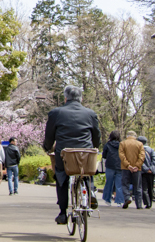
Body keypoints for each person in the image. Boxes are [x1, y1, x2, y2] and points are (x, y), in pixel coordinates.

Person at [43, 85, 101, 225]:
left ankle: (63, 213)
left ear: (65, 98)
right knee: (86, 172)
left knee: (61, 177)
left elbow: (49, 135)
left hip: (65, 154)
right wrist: (95, 146)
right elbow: (97, 135)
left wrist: (47, 147)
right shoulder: (90, 113)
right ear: (81, 98)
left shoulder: (56, 113)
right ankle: (90, 192)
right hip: (85, 153)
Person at [119, 130, 145, 210]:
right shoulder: (140, 144)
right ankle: (139, 204)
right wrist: (137, 165)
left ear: (127, 136)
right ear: (135, 136)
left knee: (125, 184)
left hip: (125, 168)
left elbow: (121, 155)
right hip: (137, 169)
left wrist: (128, 165)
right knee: (137, 186)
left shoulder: (122, 143)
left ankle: (127, 198)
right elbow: (142, 156)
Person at [101, 130, 124, 206]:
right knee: (119, 184)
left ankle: (107, 200)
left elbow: (104, 156)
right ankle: (119, 201)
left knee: (109, 183)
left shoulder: (107, 145)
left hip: (110, 166)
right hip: (120, 166)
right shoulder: (121, 145)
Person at [138, 135, 155, 209]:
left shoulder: (139, 150)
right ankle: (150, 202)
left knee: (144, 188)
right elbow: (154, 160)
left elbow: (140, 161)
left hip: (143, 172)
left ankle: (147, 203)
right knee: (150, 187)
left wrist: (146, 169)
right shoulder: (151, 150)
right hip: (152, 172)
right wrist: (151, 169)